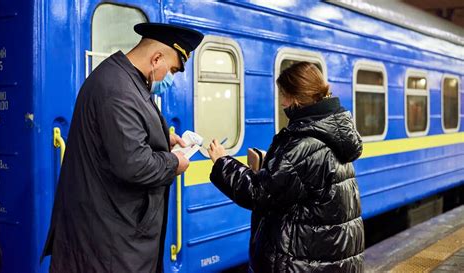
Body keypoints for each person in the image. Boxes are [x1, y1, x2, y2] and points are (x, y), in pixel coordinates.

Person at [41, 23, 204, 272]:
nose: (170, 78)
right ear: (156, 58)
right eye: (172, 70)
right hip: (109, 243)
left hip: (112, 234)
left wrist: (162, 137)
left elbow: (120, 137)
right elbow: (135, 165)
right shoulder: (119, 90)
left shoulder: (123, 80)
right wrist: (175, 163)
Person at [208, 62, 364, 272]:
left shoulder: (305, 143)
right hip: (327, 257)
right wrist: (272, 165)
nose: (282, 102)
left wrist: (222, 162)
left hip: (301, 261)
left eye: (284, 94)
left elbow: (258, 193)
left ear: (297, 98)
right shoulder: (332, 134)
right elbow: (302, 182)